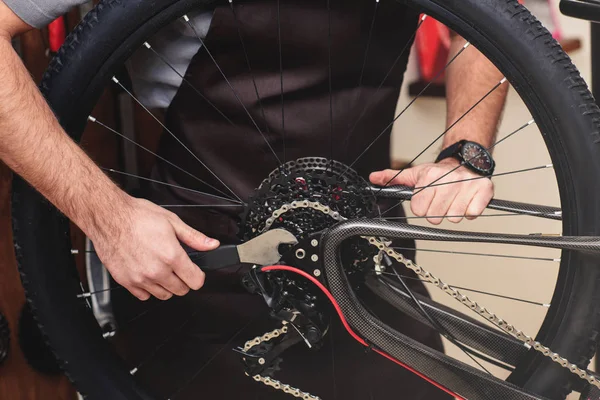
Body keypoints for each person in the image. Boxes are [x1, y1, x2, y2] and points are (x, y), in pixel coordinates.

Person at [0, 0, 507, 398]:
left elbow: (488, 17)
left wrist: (464, 154)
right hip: (199, 262)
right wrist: (106, 216)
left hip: (361, 250)